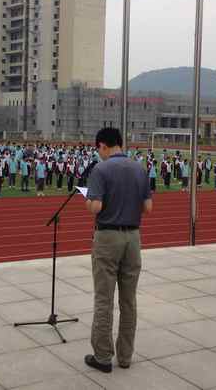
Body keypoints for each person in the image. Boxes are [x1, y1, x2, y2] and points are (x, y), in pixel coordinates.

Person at [84, 127, 152, 373]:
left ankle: (102, 356)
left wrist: (88, 200)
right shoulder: (139, 168)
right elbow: (148, 207)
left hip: (108, 236)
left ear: (103, 145)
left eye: (98, 149)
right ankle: (125, 356)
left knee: (104, 298)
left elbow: (96, 207)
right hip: (133, 237)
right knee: (128, 300)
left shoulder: (100, 169)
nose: (99, 154)